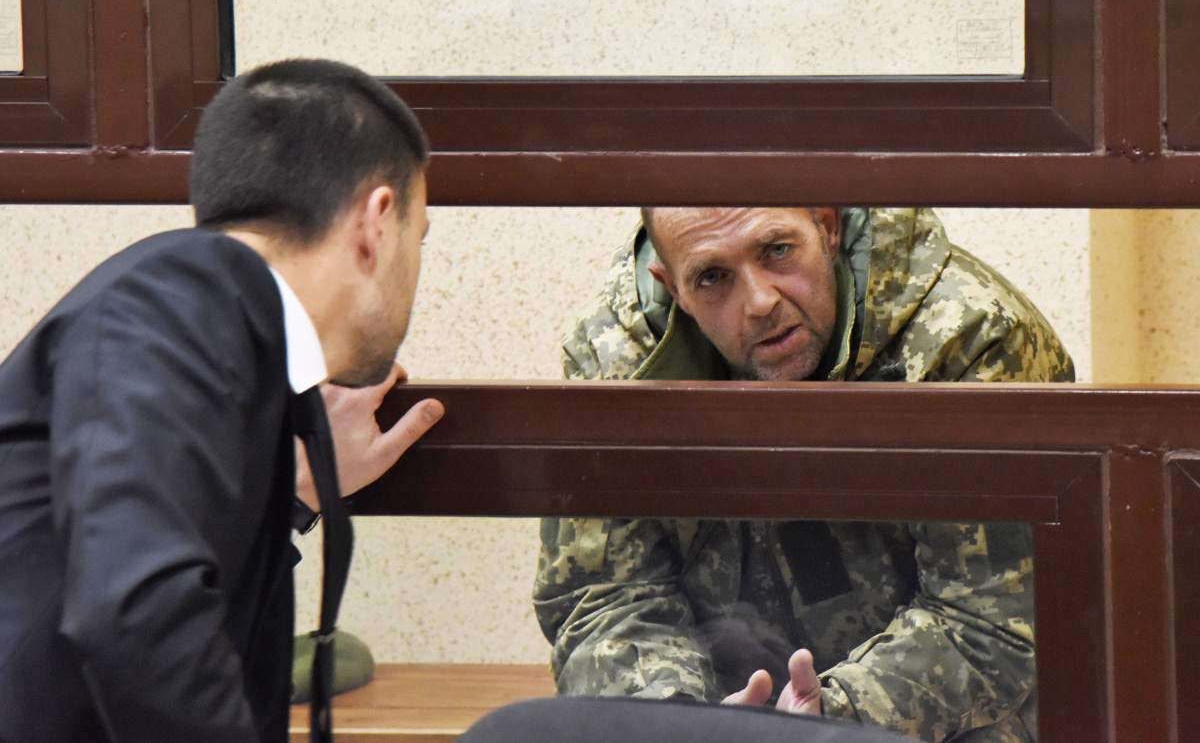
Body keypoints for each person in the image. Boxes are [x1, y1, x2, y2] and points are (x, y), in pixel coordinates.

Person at [0, 58, 443, 741]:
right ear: (376, 223)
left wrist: (289, 496)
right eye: (421, 237)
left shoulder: (205, 316)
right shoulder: (179, 292)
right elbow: (136, 612)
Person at [534, 207, 1074, 742]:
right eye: (713, 277)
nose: (760, 302)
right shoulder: (615, 359)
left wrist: (828, 720)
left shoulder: (967, 337)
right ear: (672, 286)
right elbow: (602, 597)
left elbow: (994, 620)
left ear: (828, 225)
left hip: (936, 722)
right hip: (714, 707)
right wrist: (680, 721)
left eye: (777, 251)